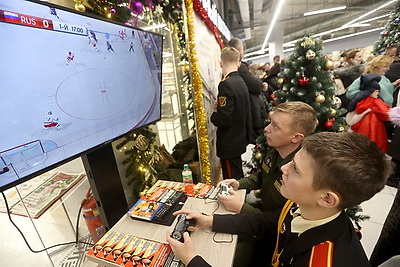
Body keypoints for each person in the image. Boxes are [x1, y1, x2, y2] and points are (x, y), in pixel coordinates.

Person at [166, 132, 392, 267]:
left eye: (296, 169)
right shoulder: (302, 207)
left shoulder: (322, 260)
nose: (283, 168)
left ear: (327, 199)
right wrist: (208, 221)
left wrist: (192, 260)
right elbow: (267, 222)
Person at [216, 101, 317, 266]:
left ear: (296, 137)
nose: (267, 129)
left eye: (276, 126)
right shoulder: (275, 151)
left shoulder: (303, 175)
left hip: (274, 241)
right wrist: (239, 184)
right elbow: (262, 176)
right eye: (270, 122)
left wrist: (241, 207)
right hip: (260, 221)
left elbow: (281, 222)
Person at [210, 47, 252, 180]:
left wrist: (215, 113)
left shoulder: (226, 84)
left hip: (229, 141)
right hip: (238, 138)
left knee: (231, 179)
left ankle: (235, 201)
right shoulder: (240, 81)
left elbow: (224, 120)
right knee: (237, 174)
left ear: (221, 62)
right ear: (238, 62)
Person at [228, 38, 267, 143]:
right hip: (250, 111)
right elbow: (254, 85)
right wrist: (260, 85)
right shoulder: (241, 67)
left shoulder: (230, 73)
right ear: (240, 50)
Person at [346, 73, 391, 152]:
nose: (378, 93)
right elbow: (387, 113)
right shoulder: (376, 102)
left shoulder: (360, 102)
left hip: (361, 133)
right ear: (371, 91)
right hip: (376, 131)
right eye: (377, 91)